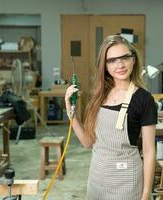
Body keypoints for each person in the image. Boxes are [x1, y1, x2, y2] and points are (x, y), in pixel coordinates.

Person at [65, 35, 157, 200]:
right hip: (97, 180)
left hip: (127, 182)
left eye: (124, 58)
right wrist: (70, 110)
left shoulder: (144, 99)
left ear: (133, 59)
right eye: (112, 60)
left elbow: (149, 151)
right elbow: (87, 142)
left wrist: (145, 194)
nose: (120, 65)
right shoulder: (99, 96)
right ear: (104, 66)